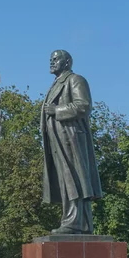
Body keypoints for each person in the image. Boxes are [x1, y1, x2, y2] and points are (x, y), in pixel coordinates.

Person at [41, 50, 102, 234]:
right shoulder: (56, 83)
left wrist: (57, 110)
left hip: (70, 138)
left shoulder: (75, 80)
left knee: (74, 178)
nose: (52, 61)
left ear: (67, 62)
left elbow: (83, 105)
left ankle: (76, 222)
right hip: (58, 139)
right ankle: (74, 221)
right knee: (65, 180)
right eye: (50, 59)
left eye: (56, 58)